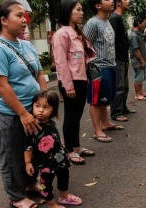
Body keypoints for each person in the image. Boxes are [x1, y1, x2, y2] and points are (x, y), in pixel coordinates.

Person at [0, 1, 47, 207]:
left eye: (25, 16)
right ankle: (16, 196)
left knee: (32, 149)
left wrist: (43, 101)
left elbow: (39, 73)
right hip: (10, 114)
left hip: (32, 109)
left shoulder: (26, 45)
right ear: (3, 20)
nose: (24, 20)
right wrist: (22, 113)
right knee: (12, 155)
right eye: (19, 16)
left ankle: (29, 184)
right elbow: (2, 86)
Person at [52, 0, 96, 165]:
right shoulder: (61, 34)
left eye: (82, 9)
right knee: (71, 116)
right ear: (68, 12)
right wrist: (68, 86)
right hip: (71, 82)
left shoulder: (77, 33)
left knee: (77, 116)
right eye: (78, 9)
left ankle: (76, 147)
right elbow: (61, 63)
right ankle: (69, 150)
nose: (82, 12)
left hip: (82, 79)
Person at [24, 90, 82, 208]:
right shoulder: (32, 126)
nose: (40, 110)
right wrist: (28, 162)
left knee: (64, 176)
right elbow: (28, 146)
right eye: (37, 106)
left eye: (46, 107)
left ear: (53, 109)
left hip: (60, 158)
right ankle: (51, 204)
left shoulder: (51, 121)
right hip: (45, 162)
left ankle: (64, 196)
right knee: (46, 183)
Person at [83, 0, 124, 143]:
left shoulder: (106, 21)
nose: (112, 1)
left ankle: (105, 123)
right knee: (96, 100)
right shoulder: (92, 23)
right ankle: (97, 130)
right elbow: (84, 45)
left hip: (110, 65)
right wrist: (90, 68)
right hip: (99, 68)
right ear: (98, 5)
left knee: (105, 98)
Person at [109, 0, 136, 122]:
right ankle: (116, 112)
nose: (128, 1)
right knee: (118, 87)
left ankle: (123, 108)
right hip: (118, 57)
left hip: (124, 56)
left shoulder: (120, 18)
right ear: (119, 3)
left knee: (125, 86)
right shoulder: (114, 18)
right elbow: (111, 39)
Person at [130, 17, 146, 101]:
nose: (144, 25)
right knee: (138, 77)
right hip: (137, 60)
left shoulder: (139, 34)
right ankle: (137, 94)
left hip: (141, 59)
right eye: (143, 23)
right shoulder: (134, 35)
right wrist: (141, 60)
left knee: (141, 77)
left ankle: (140, 92)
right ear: (138, 23)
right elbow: (136, 49)